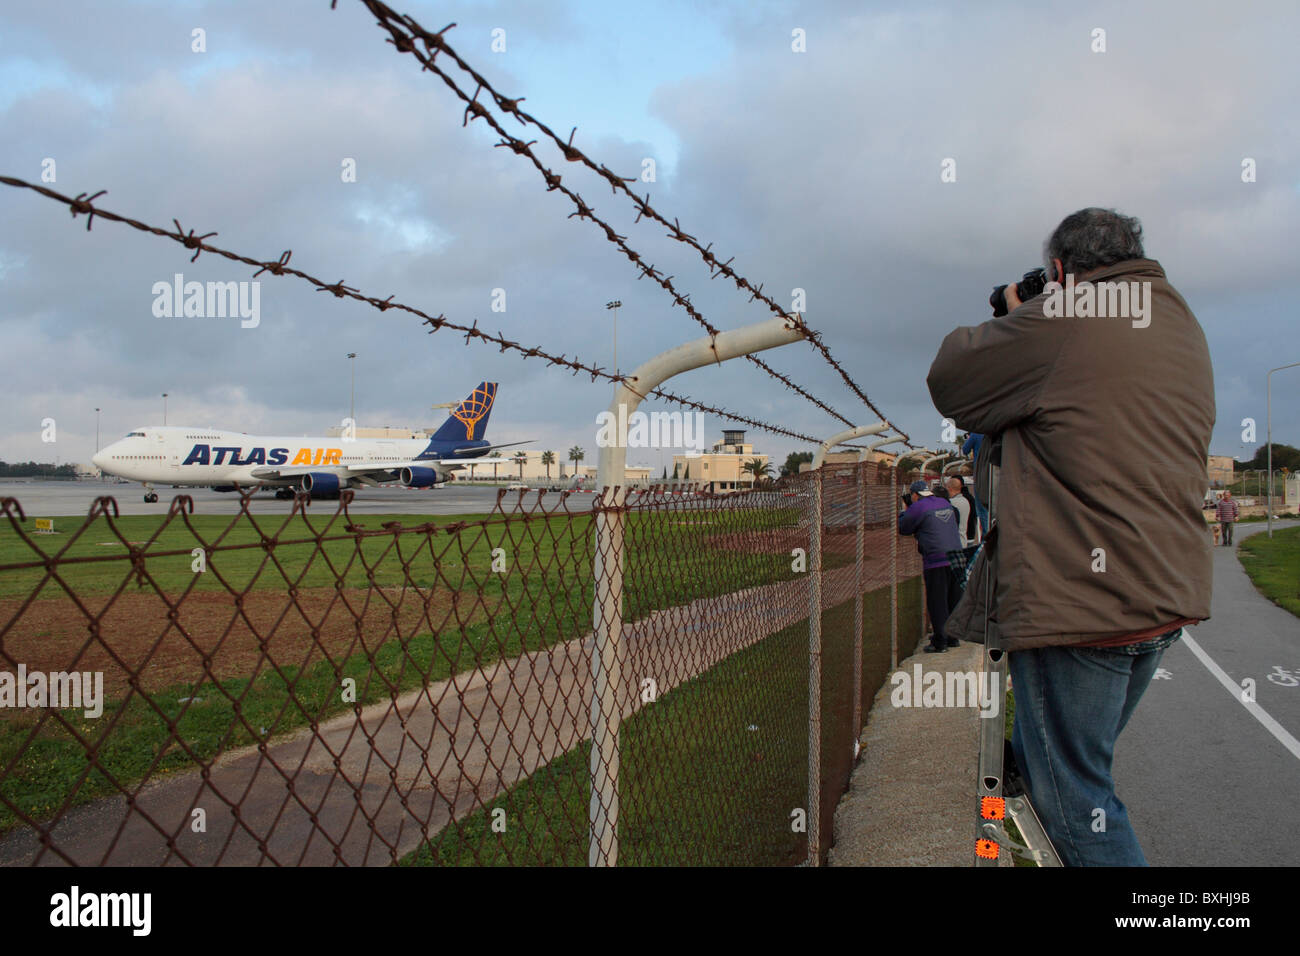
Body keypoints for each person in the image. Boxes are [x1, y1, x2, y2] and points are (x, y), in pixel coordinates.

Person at [928, 207, 1214, 866]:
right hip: (1162, 596)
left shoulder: (1069, 319)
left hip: (1085, 605)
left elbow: (952, 378)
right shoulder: (1176, 319)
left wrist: (1011, 312)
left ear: (1062, 270)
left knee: (1078, 802)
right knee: (1058, 767)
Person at [898, 479, 963, 653]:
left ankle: (940, 642)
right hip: (956, 557)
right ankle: (953, 637)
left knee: (937, 601)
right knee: (952, 599)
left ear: (915, 495)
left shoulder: (918, 507)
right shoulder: (943, 502)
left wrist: (905, 510)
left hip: (937, 559)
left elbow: (903, 527)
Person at [945, 476, 973, 546]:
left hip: (954, 542)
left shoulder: (951, 503)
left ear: (949, 488)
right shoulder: (965, 501)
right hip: (963, 539)